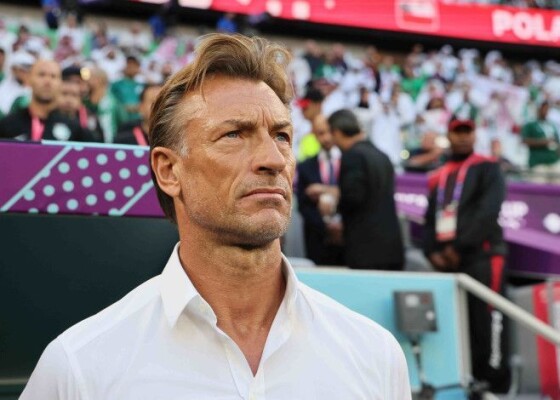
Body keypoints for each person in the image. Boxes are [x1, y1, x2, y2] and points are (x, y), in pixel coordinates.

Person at [20, 34, 411, 400]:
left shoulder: (374, 355)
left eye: (281, 136)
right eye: (234, 135)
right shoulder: (81, 368)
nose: (273, 159)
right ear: (169, 171)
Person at [423, 117, 511, 394]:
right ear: (448, 136)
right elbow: (429, 218)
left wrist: (457, 247)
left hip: (483, 256)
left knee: (489, 321)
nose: (462, 137)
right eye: (457, 132)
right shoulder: (439, 174)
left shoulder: (488, 167)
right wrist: (432, 252)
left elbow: (488, 211)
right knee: (458, 324)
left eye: (467, 132)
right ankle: (467, 384)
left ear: (474, 136)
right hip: (448, 262)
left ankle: (493, 386)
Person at [328, 108, 404, 270]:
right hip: (391, 247)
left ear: (337, 132)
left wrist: (335, 212)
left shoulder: (352, 156)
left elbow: (353, 197)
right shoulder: (382, 155)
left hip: (366, 249)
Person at [0, 59, 93, 142]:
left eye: (53, 76)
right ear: (29, 79)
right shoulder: (8, 125)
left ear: (60, 83)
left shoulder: (75, 129)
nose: (47, 81)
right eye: (41, 75)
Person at [296, 113, 344, 265]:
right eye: (321, 133)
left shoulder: (351, 160)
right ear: (314, 134)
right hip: (318, 241)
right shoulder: (305, 167)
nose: (327, 138)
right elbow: (303, 206)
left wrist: (342, 226)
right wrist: (327, 228)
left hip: (348, 240)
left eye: (329, 132)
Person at [521, 101, 560, 184]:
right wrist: (543, 142)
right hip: (538, 163)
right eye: (543, 108)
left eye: (547, 109)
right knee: (538, 188)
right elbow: (525, 140)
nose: (545, 111)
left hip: (553, 162)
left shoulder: (552, 125)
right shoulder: (530, 125)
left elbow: (557, 142)